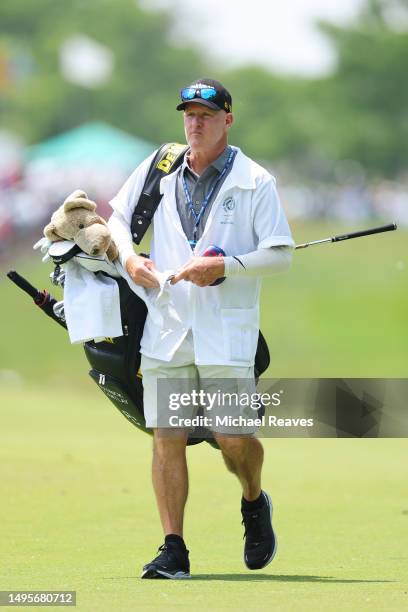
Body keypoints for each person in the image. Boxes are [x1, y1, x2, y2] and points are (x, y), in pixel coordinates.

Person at [108, 78, 294, 579]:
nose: (195, 123)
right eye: (189, 113)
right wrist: (129, 258)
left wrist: (227, 266)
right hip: (168, 326)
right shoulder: (159, 166)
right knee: (165, 436)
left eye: (206, 115)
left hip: (225, 331)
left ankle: (254, 501)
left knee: (232, 439)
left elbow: (280, 255)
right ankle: (174, 548)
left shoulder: (255, 181)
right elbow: (118, 218)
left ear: (227, 121)